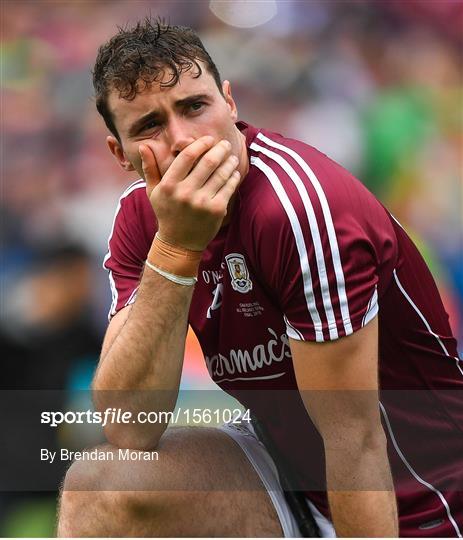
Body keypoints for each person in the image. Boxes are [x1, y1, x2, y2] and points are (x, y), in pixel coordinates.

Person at [57, 18, 462, 538]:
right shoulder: (141, 221)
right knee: (100, 488)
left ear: (230, 103)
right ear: (121, 154)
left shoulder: (300, 209)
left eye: (194, 107)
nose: (182, 139)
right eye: (149, 127)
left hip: (417, 495)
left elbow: (354, 440)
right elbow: (128, 425)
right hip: (289, 473)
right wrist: (177, 250)